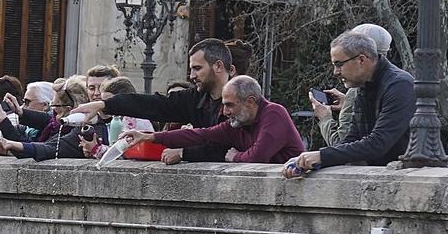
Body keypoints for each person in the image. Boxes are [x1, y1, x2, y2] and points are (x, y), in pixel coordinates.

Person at [285, 30, 415, 176]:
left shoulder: (400, 85)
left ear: (361, 60)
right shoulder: (364, 86)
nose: (335, 72)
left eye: (339, 64)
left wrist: (322, 156)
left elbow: (378, 143)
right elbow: (353, 138)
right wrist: (311, 160)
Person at [127, 75, 303, 165]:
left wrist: (235, 157)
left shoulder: (274, 114)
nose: (225, 111)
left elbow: (257, 157)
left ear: (250, 102)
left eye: (230, 105)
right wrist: (149, 137)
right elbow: (200, 135)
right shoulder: (238, 123)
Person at [96, 40, 232, 148]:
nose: (192, 76)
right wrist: (103, 104)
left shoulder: (241, 100)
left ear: (218, 66)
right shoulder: (195, 98)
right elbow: (154, 104)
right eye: (191, 69)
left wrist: (183, 153)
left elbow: (219, 140)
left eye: (197, 68)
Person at [313, 22, 392, 145]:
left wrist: (324, 118)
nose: (336, 72)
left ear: (361, 58)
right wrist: (348, 104)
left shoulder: (356, 91)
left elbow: (340, 144)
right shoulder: (391, 83)